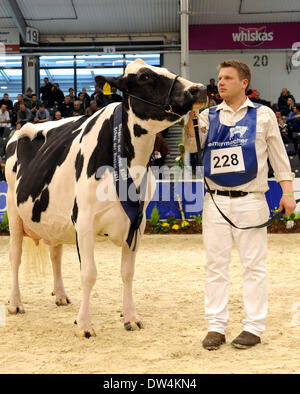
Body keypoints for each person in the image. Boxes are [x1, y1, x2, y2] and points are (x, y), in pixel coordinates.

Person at [185, 59, 296, 350]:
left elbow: (278, 156)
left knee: (253, 267)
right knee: (215, 266)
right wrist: (191, 120)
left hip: (251, 200)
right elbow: (192, 147)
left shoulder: (264, 115)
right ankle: (216, 327)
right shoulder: (207, 116)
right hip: (216, 201)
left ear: (243, 83)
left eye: (227, 78)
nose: (220, 82)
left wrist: (287, 192)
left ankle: (254, 327)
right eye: (219, 78)